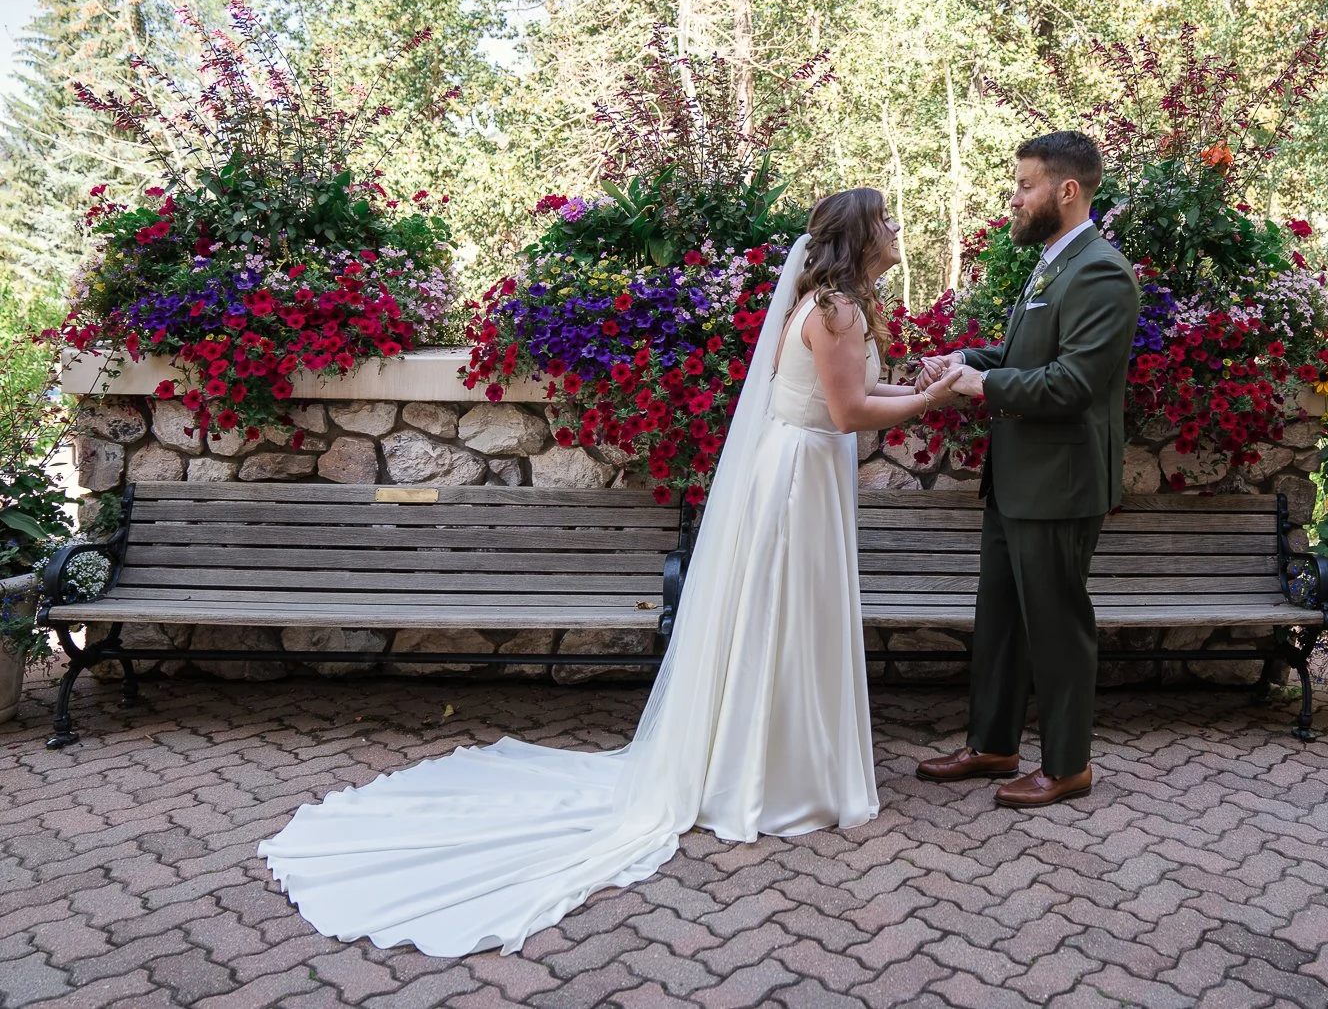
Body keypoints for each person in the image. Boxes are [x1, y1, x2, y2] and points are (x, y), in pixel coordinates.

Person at [257, 188, 962, 957]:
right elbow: (851, 412)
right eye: (888, 220)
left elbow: (848, 397)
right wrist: (930, 396)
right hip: (798, 479)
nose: (897, 230)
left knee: (787, 620)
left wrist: (921, 383)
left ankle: (778, 760)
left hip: (800, 468)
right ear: (861, 236)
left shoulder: (828, 306)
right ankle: (781, 776)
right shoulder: (837, 311)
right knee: (787, 620)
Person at [915, 131, 1141, 808]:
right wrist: (967, 360)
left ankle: (1068, 765)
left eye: (1024, 185)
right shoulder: (1053, 263)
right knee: (1002, 620)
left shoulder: (1100, 271)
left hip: (1059, 483)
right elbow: (1027, 352)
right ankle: (993, 744)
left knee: (1057, 628)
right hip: (1015, 479)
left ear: (1066, 191)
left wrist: (979, 388)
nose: (1014, 198)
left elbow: (1070, 383)